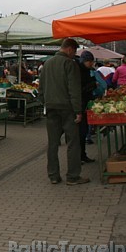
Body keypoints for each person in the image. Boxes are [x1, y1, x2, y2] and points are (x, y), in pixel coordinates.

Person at [38, 38, 89, 186]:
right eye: (74, 51)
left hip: (51, 108)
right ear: (69, 49)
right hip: (67, 109)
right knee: (73, 142)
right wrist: (78, 110)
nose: (74, 55)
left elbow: (40, 89)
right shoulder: (69, 64)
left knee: (53, 143)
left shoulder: (46, 64)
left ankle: (53, 175)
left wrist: (45, 103)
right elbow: (74, 89)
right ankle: (73, 176)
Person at [77, 51, 98, 164]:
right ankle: (79, 156)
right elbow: (81, 89)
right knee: (81, 131)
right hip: (80, 105)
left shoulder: (86, 71)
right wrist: (93, 85)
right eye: (90, 61)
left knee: (83, 131)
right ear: (85, 61)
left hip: (84, 104)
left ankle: (82, 155)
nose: (92, 64)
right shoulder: (79, 72)